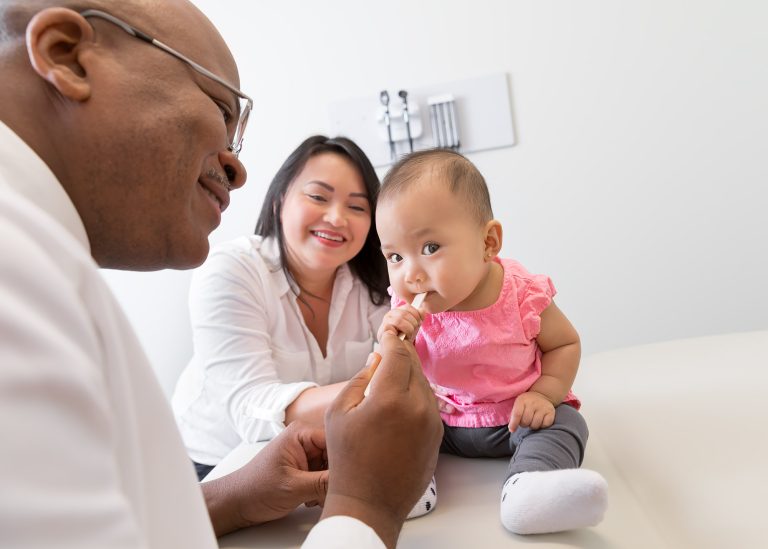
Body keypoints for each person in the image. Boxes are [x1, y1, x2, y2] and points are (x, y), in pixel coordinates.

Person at [0, 2, 442, 549]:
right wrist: (365, 505)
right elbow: (249, 401)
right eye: (220, 110)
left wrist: (230, 499)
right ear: (67, 55)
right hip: (214, 455)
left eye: (357, 206)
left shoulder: (45, 259)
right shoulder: (17, 274)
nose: (235, 166)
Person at [375, 149, 608, 535]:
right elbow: (396, 376)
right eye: (396, 256)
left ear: (488, 242)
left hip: (517, 417)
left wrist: (545, 393)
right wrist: (392, 342)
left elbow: (565, 344)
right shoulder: (408, 308)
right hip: (442, 421)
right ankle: (409, 487)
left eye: (430, 248)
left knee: (566, 422)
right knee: (396, 421)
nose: (412, 274)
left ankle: (528, 491)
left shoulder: (521, 294)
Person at [172, 135, 389, 481]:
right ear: (279, 201)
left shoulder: (374, 281)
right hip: (215, 465)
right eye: (319, 197)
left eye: (357, 207)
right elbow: (250, 411)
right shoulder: (233, 268)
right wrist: (379, 388)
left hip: (318, 456)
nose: (336, 218)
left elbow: (425, 356)